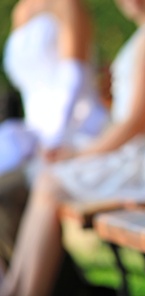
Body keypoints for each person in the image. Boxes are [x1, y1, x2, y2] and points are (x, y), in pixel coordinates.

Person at [0, 0, 145, 295]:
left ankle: (25, 288)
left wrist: (80, 153)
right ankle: (17, 286)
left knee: (51, 182)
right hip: (139, 151)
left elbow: (137, 122)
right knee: (49, 181)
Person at [0, 0, 109, 284]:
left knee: (14, 192)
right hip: (36, 138)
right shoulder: (20, 11)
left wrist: (53, 141)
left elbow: (74, 77)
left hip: (74, 134)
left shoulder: (67, 4)